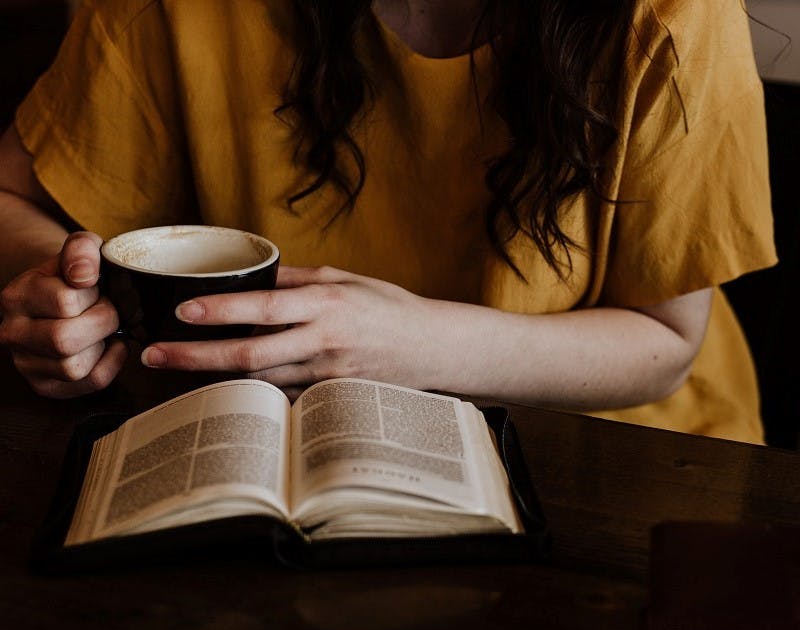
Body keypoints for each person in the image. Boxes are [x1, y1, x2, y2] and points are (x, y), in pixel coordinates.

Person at [0, 0, 776, 442]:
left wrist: (409, 345)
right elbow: (15, 204)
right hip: (259, 447)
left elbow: (668, 344)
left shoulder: (672, 12)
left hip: (611, 447)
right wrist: (63, 301)